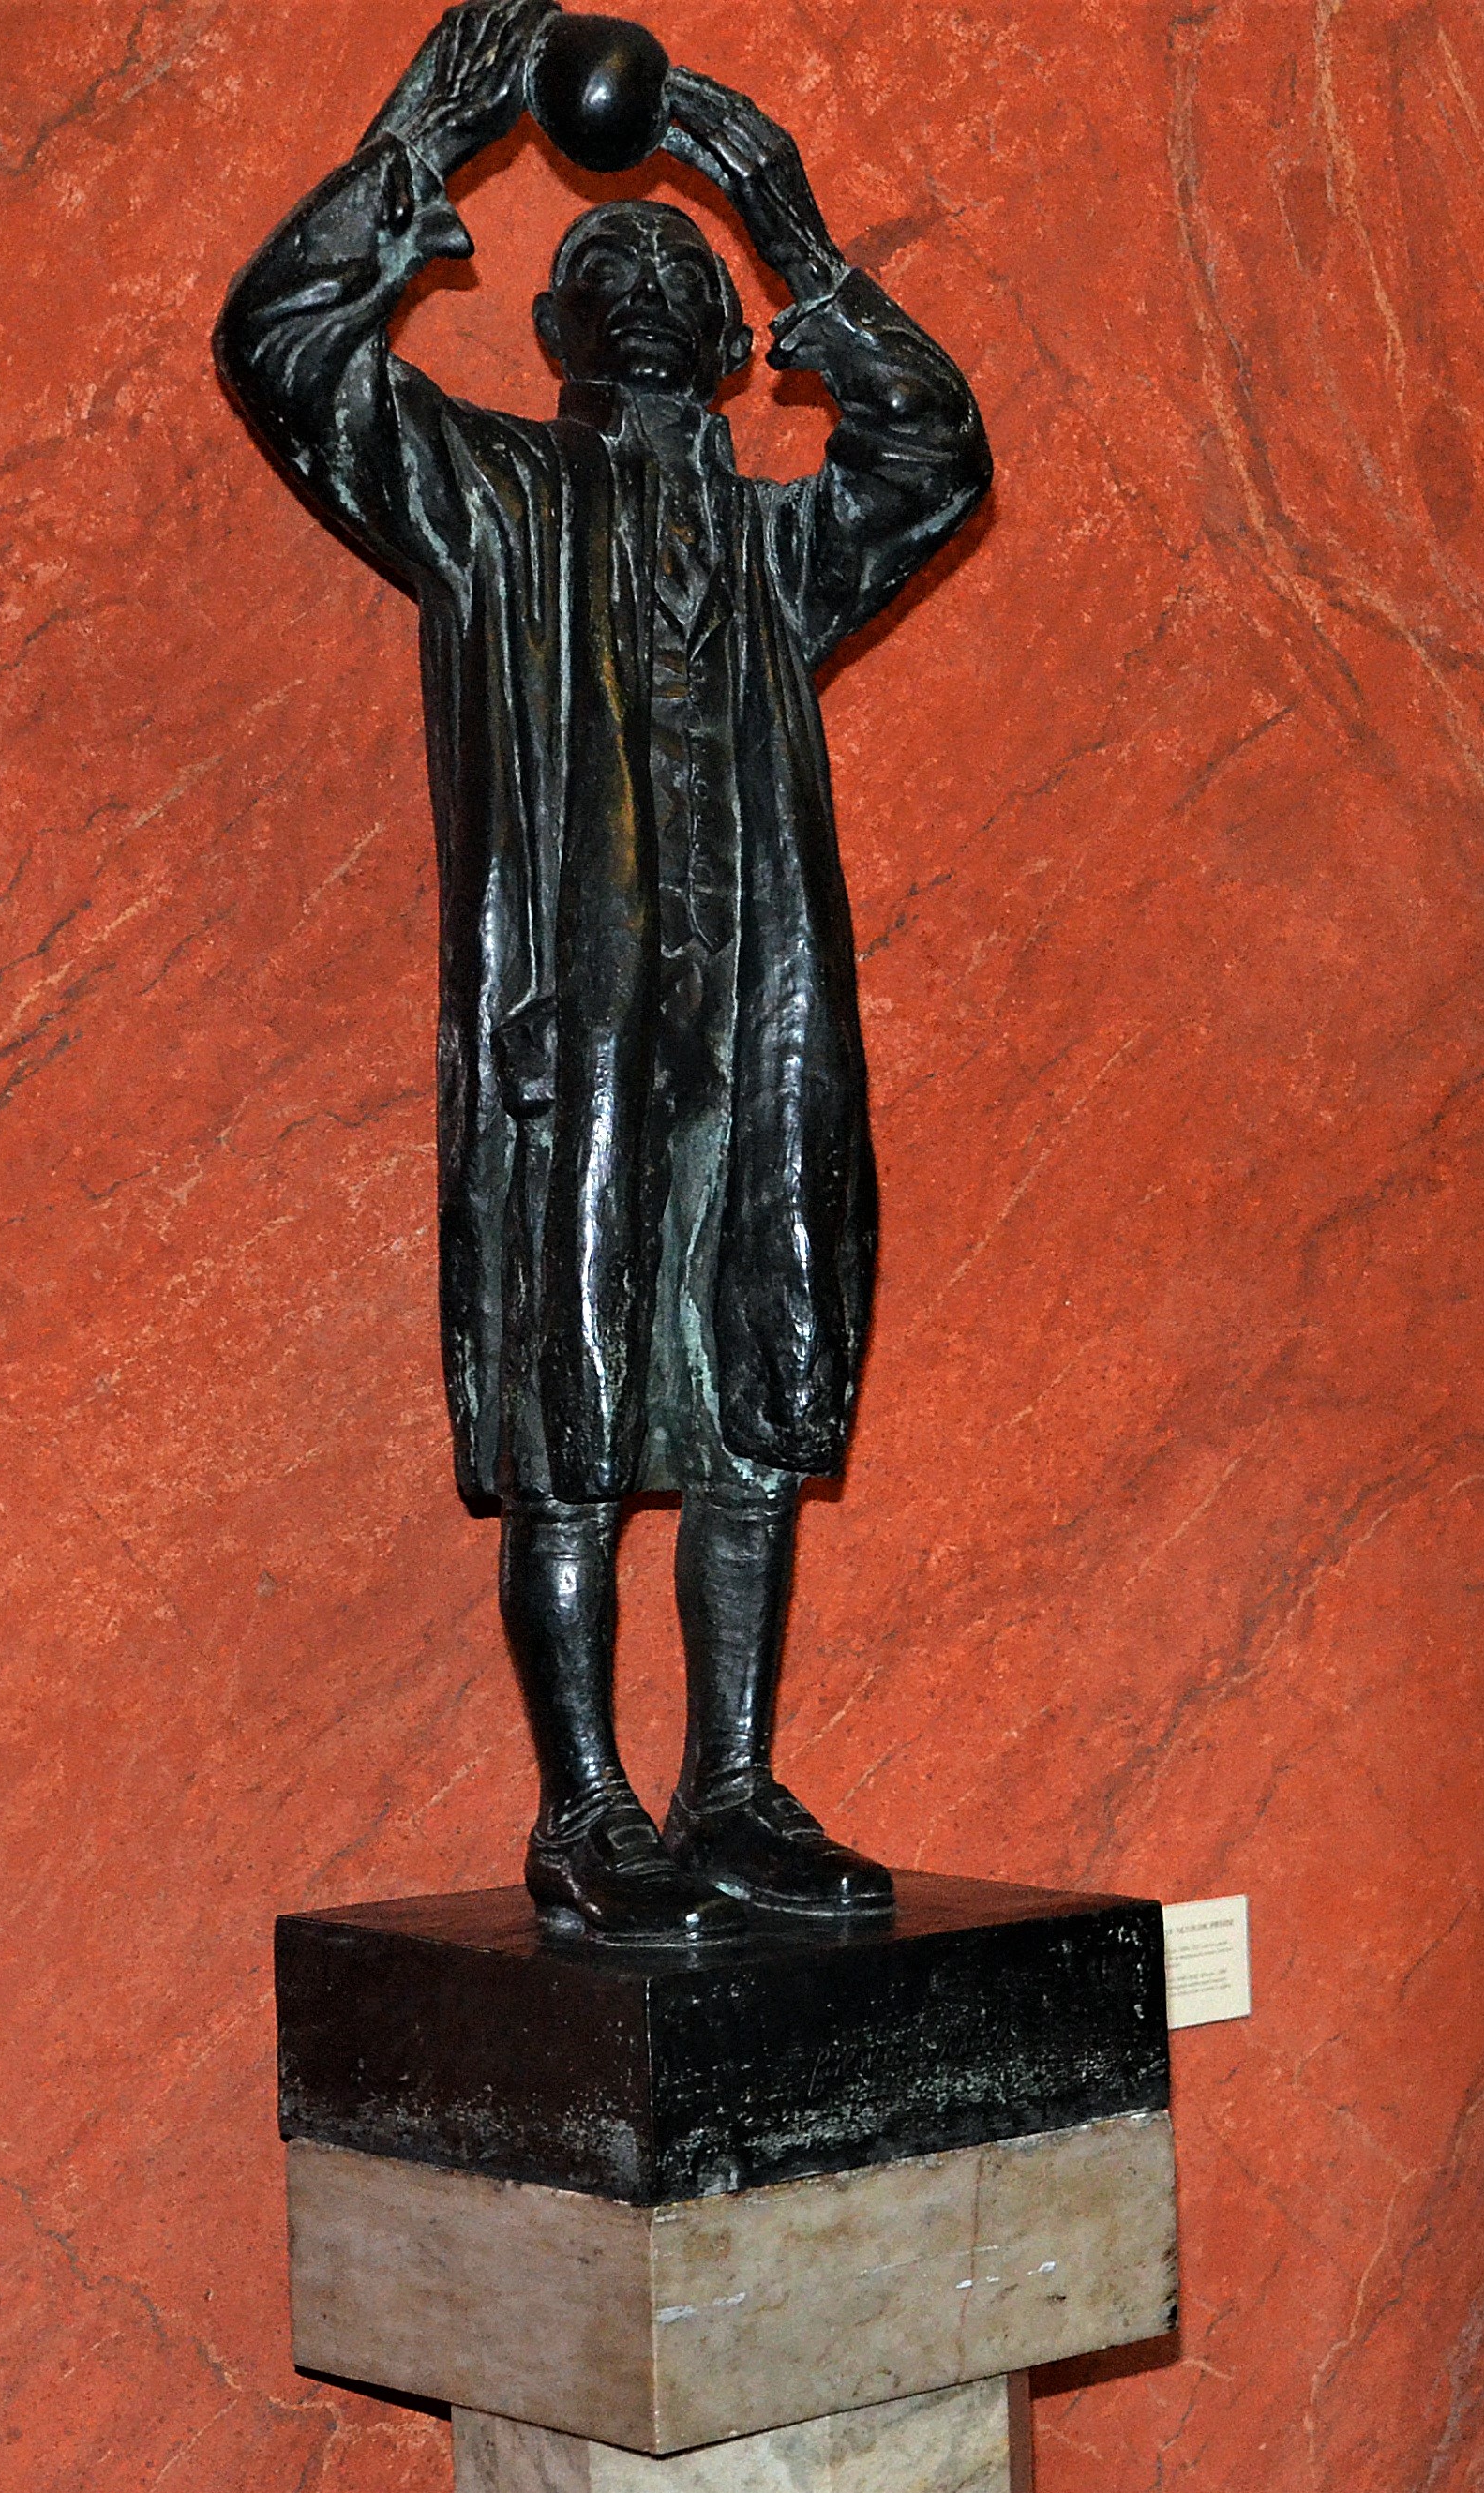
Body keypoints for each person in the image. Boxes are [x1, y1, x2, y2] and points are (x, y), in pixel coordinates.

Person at [218, 0, 990, 1944]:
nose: (646, 285)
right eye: (606, 271)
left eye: (680, 274)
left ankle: (731, 1785)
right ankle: (585, 1804)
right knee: (569, 1405)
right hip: (579, 1040)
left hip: (759, 1028)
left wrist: (793, 236)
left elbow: (935, 455)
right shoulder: (485, 504)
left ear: (732, 346)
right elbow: (286, 349)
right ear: (554, 331)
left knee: (753, 1396)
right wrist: (423, 135)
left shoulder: (781, 554)